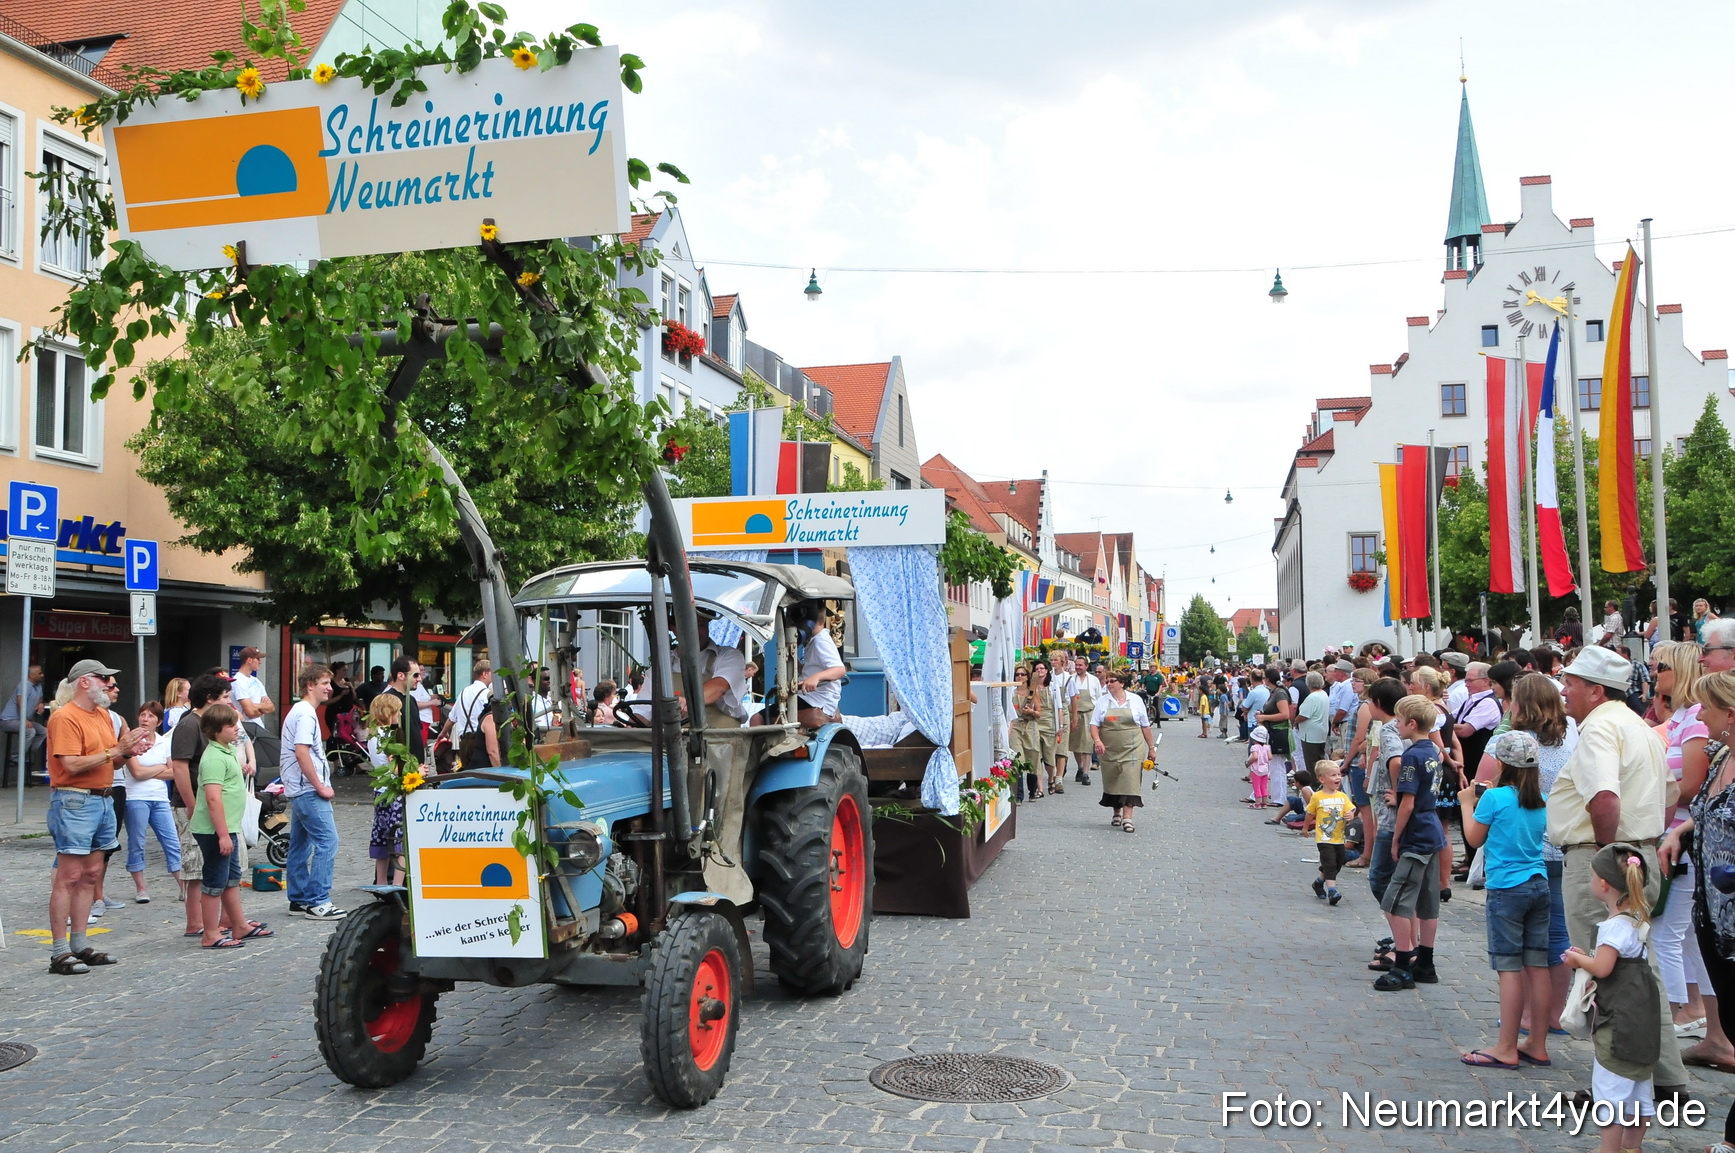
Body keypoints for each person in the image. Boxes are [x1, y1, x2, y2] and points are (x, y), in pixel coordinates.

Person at [1550, 644, 1687, 1100]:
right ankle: (1662, 1077)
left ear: (1594, 690)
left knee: (1603, 971)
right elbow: (1667, 795)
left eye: (1570, 682)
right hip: (1636, 851)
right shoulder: (1637, 726)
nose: (1564, 690)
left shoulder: (1602, 728)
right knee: (1637, 971)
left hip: (1601, 856)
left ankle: (1621, 1076)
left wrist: (1608, 855)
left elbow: (1604, 796)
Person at [1661, 670, 1735, 1148]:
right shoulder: (1721, 756)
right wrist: (1678, 833)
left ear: (1730, 712)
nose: (1699, 715)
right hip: (1714, 915)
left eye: (1706, 708)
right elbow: (1705, 811)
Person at [43, 660, 150, 974]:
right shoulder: (64, 717)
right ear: (84, 682)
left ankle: (79, 944)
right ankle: (60, 951)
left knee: (91, 875)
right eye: (103, 678)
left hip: (103, 798)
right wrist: (117, 750)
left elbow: (113, 763)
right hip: (75, 800)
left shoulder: (105, 715)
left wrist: (128, 752)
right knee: (69, 877)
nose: (109, 684)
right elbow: (73, 765)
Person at [1457, 732, 1553, 1070]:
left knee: (1509, 969)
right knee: (1537, 966)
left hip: (1506, 888)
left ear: (1500, 763)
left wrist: (1467, 802)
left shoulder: (1494, 798)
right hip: (1538, 884)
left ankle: (1506, 1046)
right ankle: (1537, 1043)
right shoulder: (1540, 798)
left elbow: (1473, 838)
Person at [1562, 844, 1660, 1153]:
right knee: (1639, 1086)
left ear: (1603, 884)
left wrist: (1579, 961)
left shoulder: (1612, 927)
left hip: (1618, 1020)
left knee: (1611, 1088)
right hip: (1642, 1018)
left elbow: (1603, 968)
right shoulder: (1638, 920)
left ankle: (1609, 1150)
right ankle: (1632, 1147)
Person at [1646, 641, 1714, 1041]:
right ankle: (1694, 1007)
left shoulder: (1696, 720)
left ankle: (1676, 1010)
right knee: (1683, 932)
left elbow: (1691, 785)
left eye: (1663, 667)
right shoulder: (1685, 717)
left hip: (1683, 834)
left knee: (1668, 931)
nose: (1656, 673)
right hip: (1676, 830)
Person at [1375, 694, 1448, 991]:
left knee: (1395, 901)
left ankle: (1403, 963)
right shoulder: (1433, 751)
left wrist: (1396, 838)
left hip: (1416, 833)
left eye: (1400, 721)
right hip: (1433, 831)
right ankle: (1426, 961)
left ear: (1412, 724)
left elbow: (1407, 804)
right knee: (1427, 901)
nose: (1397, 726)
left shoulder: (1412, 756)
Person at [190, 703, 271, 948]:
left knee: (232, 878)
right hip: (215, 830)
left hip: (228, 827)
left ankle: (240, 925)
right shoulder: (214, 757)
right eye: (231, 725)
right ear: (216, 730)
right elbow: (213, 799)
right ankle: (211, 934)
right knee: (215, 881)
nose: (237, 729)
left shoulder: (224, 751)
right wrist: (223, 835)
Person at [282, 663, 345, 921]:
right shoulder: (306, 714)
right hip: (308, 790)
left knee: (299, 844)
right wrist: (320, 785)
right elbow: (301, 751)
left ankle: (298, 898)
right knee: (328, 842)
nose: (330, 689)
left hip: (299, 789)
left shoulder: (301, 711)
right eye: (325, 684)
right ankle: (318, 901)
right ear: (310, 685)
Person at [122, 700, 181, 905]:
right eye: (143, 715)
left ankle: (183, 886)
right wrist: (159, 767)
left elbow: (174, 771)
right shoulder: (129, 741)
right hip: (136, 797)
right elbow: (136, 772)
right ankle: (141, 888)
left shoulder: (164, 742)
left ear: (158, 721)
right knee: (137, 843)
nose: (145, 719)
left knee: (172, 842)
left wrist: (153, 770)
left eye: (151, 716)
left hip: (159, 798)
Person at [1089, 670, 1155, 833]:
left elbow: (1145, 726)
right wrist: (1097, 741)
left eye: (1113, 681)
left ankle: (1128, 817)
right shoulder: (1102, 702)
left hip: (1133, 748)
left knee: (1130, 779)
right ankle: (1116, 812)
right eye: (1108, 681)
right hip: (1110, 749)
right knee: (1113, 779)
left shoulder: (1136, 700)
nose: (1109, 684)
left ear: (1122, 683)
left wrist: (1151, 748)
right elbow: (1094, 725)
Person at [365, 693, 407, 886]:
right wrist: (417, 772)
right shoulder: (388, 737)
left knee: (382, 836)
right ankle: (398, 884)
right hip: (393, 792)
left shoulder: (373, 735)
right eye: (397, 711)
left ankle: (381, 881)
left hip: (380, 791)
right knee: (401, 839)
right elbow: (395, 767)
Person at [1305, 759, 1352, 905]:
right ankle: (1332, 890)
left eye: (1338, 774)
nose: (1337, 777)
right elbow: (1309, 813)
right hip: (1324, 838)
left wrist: (1351, 815)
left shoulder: (1342, 796)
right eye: (1333, 775)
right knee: (1330, 863)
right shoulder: (1317, 797)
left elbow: (1350, 809)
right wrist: (1305, 827)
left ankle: (1319, 882)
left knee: (1337, 863)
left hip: (1338, 837)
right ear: (1322, 779)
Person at [793, 605, 845, 731]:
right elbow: (814, 668)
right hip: (812, 697)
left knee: (757, 718)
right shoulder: (814, 640)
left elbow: (839, 669)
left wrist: (816, 677)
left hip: (816, 700)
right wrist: (799, 666)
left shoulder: (821, 641)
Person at [232, 646, 279, 768]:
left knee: (260, 764)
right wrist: (262, 707)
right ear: (249, 660)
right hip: (246, 730)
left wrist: (257, 706)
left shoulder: (256, 681)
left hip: (258, 729)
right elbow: (249, 712)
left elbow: (272, 707)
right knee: (250, 766)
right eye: (258, 659)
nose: (260, 662)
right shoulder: (238, 680)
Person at [449, 661, 502, 768]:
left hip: (463, 742)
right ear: (485, 674)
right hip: (479, 742)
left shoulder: (463, 692)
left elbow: (451, 717)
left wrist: (443, 733)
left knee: (468, 774)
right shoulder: (486, 693)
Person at [0, 661, 46, 784]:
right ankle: (16, 756)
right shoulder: (24, 685)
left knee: (43, 731)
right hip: (9, 720)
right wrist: (24, 719)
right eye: (39, 673)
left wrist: (41, 703)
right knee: (30, 731)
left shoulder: (38, 686)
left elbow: (40, 698)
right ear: (32, 675)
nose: (42, 675)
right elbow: (20, 702)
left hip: (25, 719)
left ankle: (26, 754)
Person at [381, 655, 426, 765]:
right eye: (415, 675)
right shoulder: (388, 700)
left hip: (415, 766)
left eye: (419, 675)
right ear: (400, 675)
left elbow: (416, 732)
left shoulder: (411, 699)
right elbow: (385, 737)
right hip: (400, 766)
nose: (419, 679)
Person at [1010, 664, 1043, 802]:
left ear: (1027, 677)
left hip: (1030, 726)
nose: (1020, 676)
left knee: (1032, 758)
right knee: (1017, 759)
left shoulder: (1033, 692)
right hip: (1016, 725)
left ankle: (1032, 790)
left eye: (1023, 674)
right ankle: (1018, 796)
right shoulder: (1010, 691)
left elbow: (1039, 713)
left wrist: (1032, 712)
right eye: (1017, 674)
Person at [1070, 656, 1099, 783]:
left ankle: (1086, 774)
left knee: (1088, 744)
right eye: (1076, 665)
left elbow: (1099, 698)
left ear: (1086, 666)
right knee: (1076, 744)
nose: (1078, 667)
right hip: (1075, 714)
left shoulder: (1093, 680)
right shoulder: (1071, 679)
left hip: (1089, 714)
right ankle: (1080, 767)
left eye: (1080, 665)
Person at [1296, 670, 1330, 778]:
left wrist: (1295, 721)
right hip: (1321, 731)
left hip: (1311, 734)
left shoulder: (1312, 697)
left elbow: (1304, 715)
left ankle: (1314, 784)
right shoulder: (1323, 693)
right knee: (1319, 758)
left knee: (1311, 761)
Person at [1247, 725, 1273, 808]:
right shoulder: (1266, 747)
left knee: (1256, 786)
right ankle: (1264, 803)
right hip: (1265, 769)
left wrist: (1248, 762)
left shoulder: (1254, 747)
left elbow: (1255, 757)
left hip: (1256, 770)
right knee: (1264, 786)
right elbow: (1270, 757)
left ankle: (1257, 803)